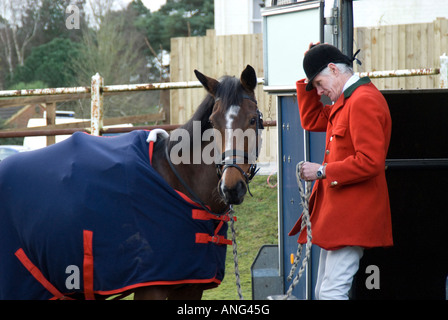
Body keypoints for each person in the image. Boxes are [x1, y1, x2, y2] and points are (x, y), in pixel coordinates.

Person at [289, 43, 393, 300]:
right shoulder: (350, 100)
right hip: (341, 217)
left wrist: (322, 172)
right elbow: (311, 119)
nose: (321, 92)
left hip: (352, 216)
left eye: (320, 83)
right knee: (323, 291)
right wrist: (309, 72)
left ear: (334, 69)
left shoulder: (363, 100)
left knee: (331, 293)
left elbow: (370, 161)